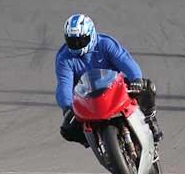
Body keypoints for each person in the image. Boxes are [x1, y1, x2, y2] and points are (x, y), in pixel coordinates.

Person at [55, 13, 163, 146]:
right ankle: (94, 141)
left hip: (115, 87)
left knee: (147, 87)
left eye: (81, 41)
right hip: (87, 97)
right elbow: (64, 84)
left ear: (91, 34)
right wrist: (67, 106)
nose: (76, 45)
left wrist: (136, 78)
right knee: (67, 129)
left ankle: (150, 119)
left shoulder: (105, 43)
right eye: (72, 42)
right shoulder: (64, 58)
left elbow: (125, 60)